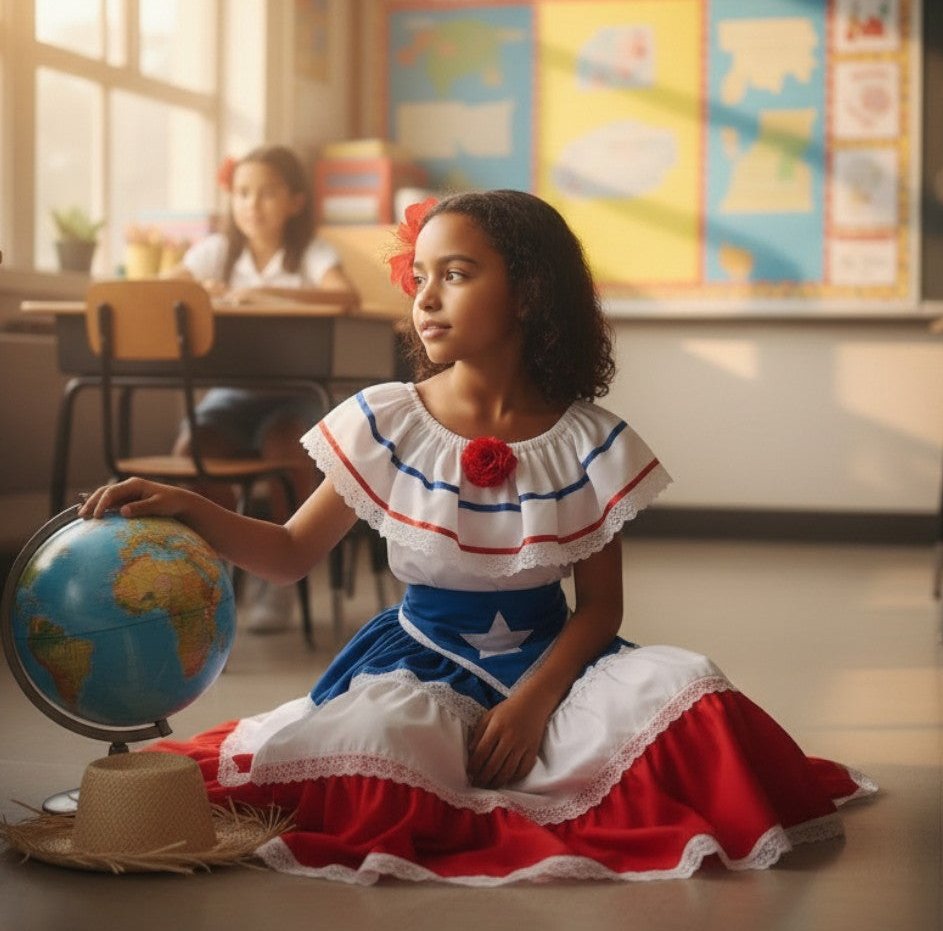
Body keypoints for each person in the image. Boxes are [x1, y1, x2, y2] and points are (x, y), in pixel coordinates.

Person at [79, 190, 875, 884]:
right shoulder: (389, 418)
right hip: (418, 660)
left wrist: (535, 701)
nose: (426, 298)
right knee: (380, 736)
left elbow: (599, 610)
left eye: (455, 275)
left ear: (528, 294)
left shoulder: (585, 439)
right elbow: (288, 557)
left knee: (691, 685)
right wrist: (193, 506)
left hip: (555, 664)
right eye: (418, 277)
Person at [167, 145, 362, 632]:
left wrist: (260, 294)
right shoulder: (217, 251)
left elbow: (343, 295)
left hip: (294, 394)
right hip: (230, 396)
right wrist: (193, 290)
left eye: (267, 193)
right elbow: (167, 287)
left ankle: (277, 582)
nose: (252, 204)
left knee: (288, 451)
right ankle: (207, 578)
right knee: (194, 453)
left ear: (295, 201)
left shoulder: (311, 252)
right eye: (243, 193)